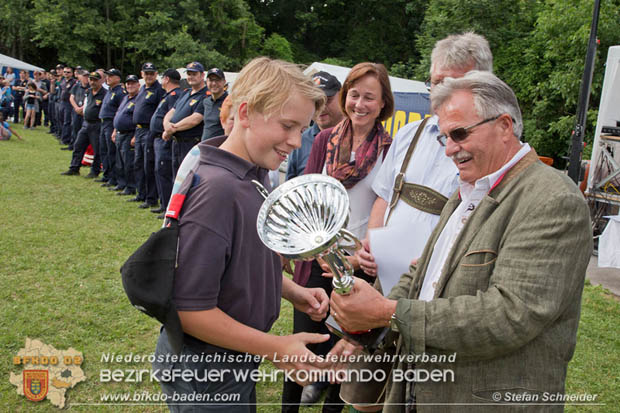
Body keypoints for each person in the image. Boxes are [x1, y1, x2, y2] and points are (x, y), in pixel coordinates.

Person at [329, 71, 592, 413]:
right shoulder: (468, 189)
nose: (450, 149)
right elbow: (424, 273)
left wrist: (387, 312)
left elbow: (509, 315)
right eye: (444, 137)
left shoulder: (553, 200)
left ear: (504, 126)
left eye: (460, 134)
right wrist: (366, 327)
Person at [152, 56, 329, 413]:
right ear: (245, 114)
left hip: (235, 358)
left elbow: (241, 260)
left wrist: (292, 291)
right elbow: (189, 310)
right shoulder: (218, 190)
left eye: (303, 128)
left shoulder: (255, 171)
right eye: (287, 125)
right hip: (205, 369)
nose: (296, 141)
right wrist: (275, 347)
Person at [285, 62, 394, 413]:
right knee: (304, 342)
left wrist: (352, 258)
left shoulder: (390, 150)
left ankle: (331, 405)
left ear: (383, 104)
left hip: (356, 266)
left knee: (343, 351)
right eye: (355, 95)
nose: (360, 104)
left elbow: (388, 209)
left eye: (370, 98)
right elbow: (308, 194)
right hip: (317, 258)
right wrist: (313, 248)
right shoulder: (323, 140)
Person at [286, 71, 344, 180]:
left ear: (341, 97)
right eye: (314, 101)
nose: (321, 107)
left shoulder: (359, 138)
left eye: (327, 100)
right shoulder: (299, 141)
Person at [162, 61, 208, 177]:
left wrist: (173, 128)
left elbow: (195, 119)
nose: (191, 77)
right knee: (176, 177)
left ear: (202, 75)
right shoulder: (185, 93)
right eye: (189, 74)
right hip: (177, 142)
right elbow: (172, 111)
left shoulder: (206, 95)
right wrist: (166, 124)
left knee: (188, 178)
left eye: (194, 74)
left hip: (190, 143)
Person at [130, 62, 165, 209]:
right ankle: (141, 193)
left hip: (149, 131)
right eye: (146, 73)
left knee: (148, 165)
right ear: (142, 74)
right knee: (138, 163)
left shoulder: (159, 90)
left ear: (156, 74)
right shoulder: (143, 88)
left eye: (152, 73)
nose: (149, 76)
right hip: (138, 131)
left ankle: (151, 198)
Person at [149, 68, 183, 218]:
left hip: (165, 139)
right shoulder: (168, 95)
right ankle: (163, 204)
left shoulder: (175, 95)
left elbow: (173, 116)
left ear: (167, 79)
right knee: (159, 171)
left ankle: (168, 207)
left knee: (165, 172)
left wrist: (167, 131)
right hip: (158, 138)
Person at [61, 72, 107, 177]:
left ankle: (94, 171)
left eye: (95, 80)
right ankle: (74, 167)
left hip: (97, 124)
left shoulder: (104, 93)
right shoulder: (89, 91)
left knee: (97, 149)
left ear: (100, 81)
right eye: (91, 80)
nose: (92, 82)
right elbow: (86, 104)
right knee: (78, 145)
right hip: (86, 123)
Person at [111, 75, 140, 196]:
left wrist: (135, 136)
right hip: (119, 133)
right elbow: (118, 114)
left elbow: (139, 119)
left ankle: (131, 186)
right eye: (128, 84)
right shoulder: (125, 98)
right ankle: (121, 183)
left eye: (133, 83)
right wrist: (114, 130)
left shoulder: (138, 99)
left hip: (129, 134)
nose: (130, 86)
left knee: (129, 162)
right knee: (120, 161)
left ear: (138, 85)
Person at [200, 67, 228, 141]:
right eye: (211, 80)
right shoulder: (205, 102)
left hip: (220, 148)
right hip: (206, 146)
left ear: (224, 81)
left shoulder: (230, 102)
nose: (214, 83)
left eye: (217, 80)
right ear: (206, 82)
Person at [59, 66, 77, 146]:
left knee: (67, 121)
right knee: (61, 119)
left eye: (68, 72)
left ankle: (65, 139)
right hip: (62, 102)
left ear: (72, 73)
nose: (66, 73)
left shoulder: (73, 82)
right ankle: (62, 135)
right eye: (65, 72)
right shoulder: (63, 81)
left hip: (68, 103)